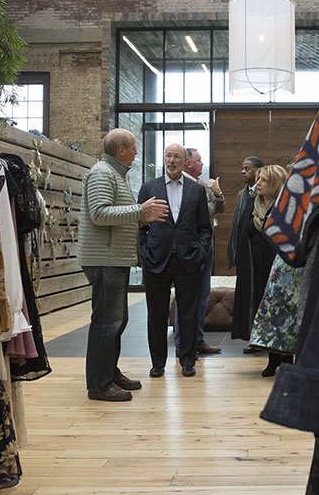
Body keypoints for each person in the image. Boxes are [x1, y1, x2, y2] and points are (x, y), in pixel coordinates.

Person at [78, 128, 168, 402]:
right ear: (121, 150)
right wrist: (141, 211)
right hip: (104, 260)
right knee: (107, 322)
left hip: (113, 259)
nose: (137, 152)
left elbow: (115, 213)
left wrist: (142, 217)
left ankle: (109, 372)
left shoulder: (114, 175)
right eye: (133, 148)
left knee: (117, 320)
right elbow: (100, 214)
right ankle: (99, 383)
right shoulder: (103, 174)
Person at [138, 143, 212, 378]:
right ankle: (158, 363)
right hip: (156, 260)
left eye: (176, 156)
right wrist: (144, 252)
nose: (172, 160)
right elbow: (140, 225)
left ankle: (188, 361)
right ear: (164, 159)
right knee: (156, 314)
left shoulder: (196, 190)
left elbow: (204, 228)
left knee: (188, 313)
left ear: (184, 161)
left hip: (188, 260)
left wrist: (199, 251)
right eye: (168, 156)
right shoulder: (149, 188)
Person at [173, 147, 224, 356]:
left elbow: (217, 208)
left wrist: (218, 193)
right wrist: (210, 203)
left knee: (203, 295)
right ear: (188, 163)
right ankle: (182, 344)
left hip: (206, 245)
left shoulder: (203, 185)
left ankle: (198, 340)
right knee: (186, 296)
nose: (203, 164)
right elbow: (197, 212)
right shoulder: (179, 186)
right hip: (189, 248)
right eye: (199, 160)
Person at [231, 164, 288, 351]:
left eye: (263, 180)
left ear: (275, 182)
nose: (258, 183)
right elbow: (241, 231)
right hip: (252, 263)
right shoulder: (250, 203)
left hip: (276, 264)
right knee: (253, 300)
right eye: (258, 179)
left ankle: (276, 346)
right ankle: (256, 339)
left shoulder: (284, 206)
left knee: (275, 303)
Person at [227, 156, 264, 269]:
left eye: (247, 169)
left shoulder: (264, 193)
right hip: (242, 248)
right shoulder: (241, 195)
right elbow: (236, 223)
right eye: (242, 169)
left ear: (258, 171)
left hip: (259, 248)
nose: (243, 172)